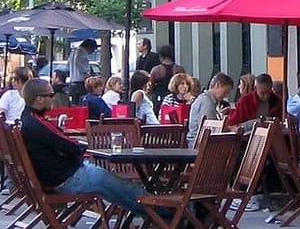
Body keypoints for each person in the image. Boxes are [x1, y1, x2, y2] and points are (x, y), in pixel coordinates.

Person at [19, 78, 148, 215]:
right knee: (121, 186)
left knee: (117, 184)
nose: (53, 99)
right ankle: (158, 211)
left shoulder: (27, 119)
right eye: (51, 95)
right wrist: (80, 148)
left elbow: (64, 145)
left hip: (59, 177)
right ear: (39, 99)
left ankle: (152, 213)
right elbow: (69, 146)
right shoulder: (37, 123)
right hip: (67, 177)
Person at [187, 72, 234, 146]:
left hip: (198, 142)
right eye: (225, 92)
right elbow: (210, 128)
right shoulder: (207, 102)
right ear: (217, 85)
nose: (226, 95)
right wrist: (229, 129)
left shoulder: (206, 99)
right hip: (199, 144)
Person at [149, 45, 186, 112]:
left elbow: (150, 86)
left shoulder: (156, 70)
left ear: (161, 56)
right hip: (175, 99)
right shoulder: (179, 69)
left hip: (159, 98)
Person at [67, 39, 97, 105]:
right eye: (93, 50)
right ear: (89, 47)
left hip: (72, 82)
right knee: (82, 104)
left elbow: (68, 65)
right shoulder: (82, 54)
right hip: (81, 83)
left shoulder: (73, 52)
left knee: (74, 104)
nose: (92, 52)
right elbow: (85, 71)